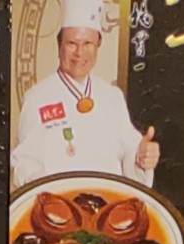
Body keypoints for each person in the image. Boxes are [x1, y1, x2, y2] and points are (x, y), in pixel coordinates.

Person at [11, 0, 158, 188]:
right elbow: (24, 160)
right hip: (59, 200)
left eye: (88, 43)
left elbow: (129, 150)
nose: (79, 53)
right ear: (59, 46)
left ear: (98, 46)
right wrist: (40, 184)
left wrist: (141, 158)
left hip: (108, 200)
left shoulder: (112, 96)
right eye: (72, 43)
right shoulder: (37, 97)